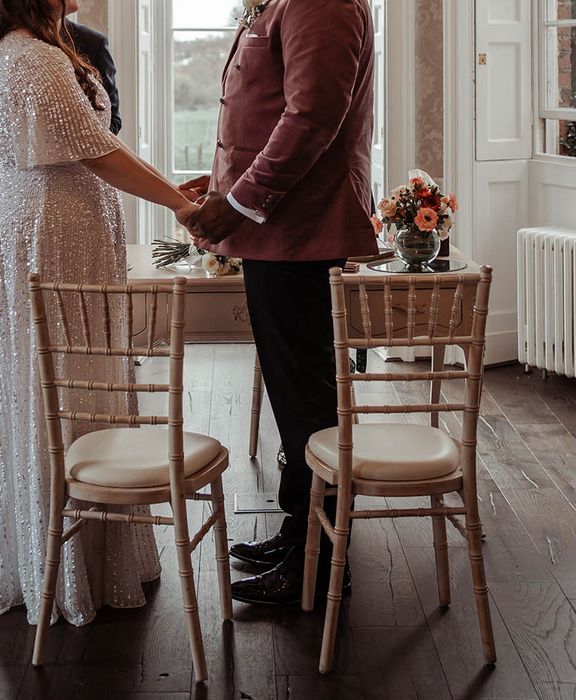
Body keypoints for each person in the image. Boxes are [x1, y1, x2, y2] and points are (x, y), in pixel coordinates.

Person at [0, 0, 198, 626]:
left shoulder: (29, 48)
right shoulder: (34, 58)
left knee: (62, 380)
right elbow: (98, 152)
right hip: (52, 239)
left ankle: (79, 543)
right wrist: (179, 204)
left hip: (52, 232)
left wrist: (172, 189)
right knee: (61, 383)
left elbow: (99, 143)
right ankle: (67, 560)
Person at [184, 0, 377, 606]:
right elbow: (266, 112)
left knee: (309, 404)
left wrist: (237, 201)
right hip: (279, 233)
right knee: (297, 401)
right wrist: (221, 187)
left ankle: (319, 564)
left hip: (300, 232)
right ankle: (302, 534)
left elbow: (311, 116)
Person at [0, 0, 121, 211]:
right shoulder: (5, 45)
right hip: (16, 193)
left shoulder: (91, 43)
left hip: (70, 194)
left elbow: (110, 124)